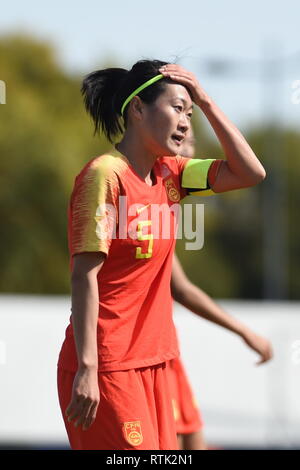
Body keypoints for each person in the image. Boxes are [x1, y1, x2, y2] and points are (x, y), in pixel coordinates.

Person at [56, 60, 266, 450]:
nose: (186, 122)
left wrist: (205, 101)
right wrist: (88, 368)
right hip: (108, 367)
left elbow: (252, 173)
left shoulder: (174, 174)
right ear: (137, 109)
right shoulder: (105, 174)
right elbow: (83, 276)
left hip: (155, 365)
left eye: (189, 112)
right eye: (176, 108)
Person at [168, 130, 273, 451]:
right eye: (178, 111)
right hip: (139, 359)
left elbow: (249, 172)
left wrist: (242, 330)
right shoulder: (132, 187)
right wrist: (243, 330)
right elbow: (181, 289)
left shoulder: (168, 195)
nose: (187, 136)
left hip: (166, 354)